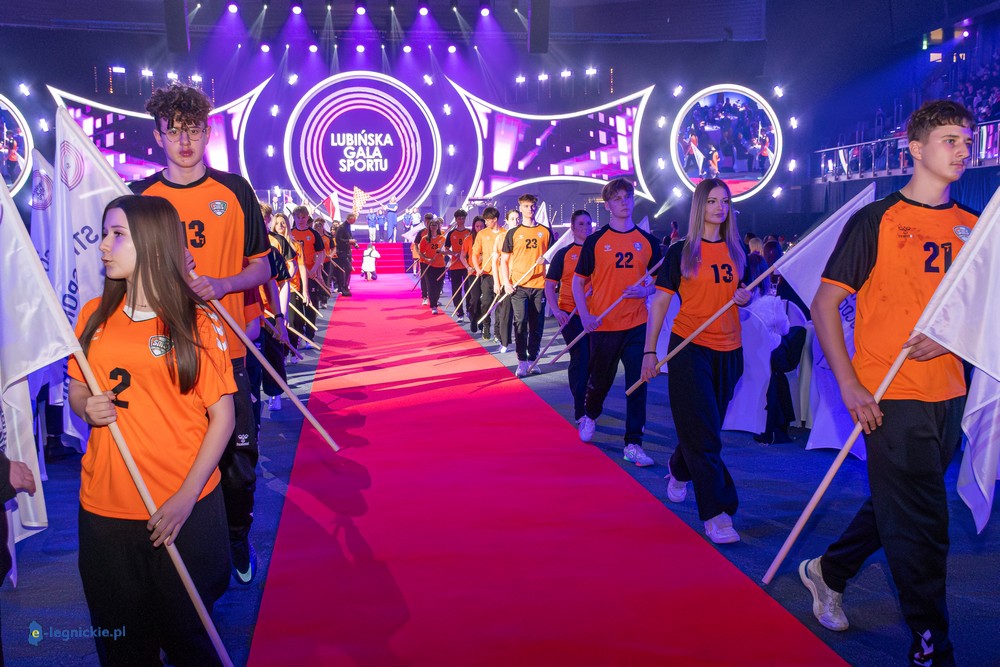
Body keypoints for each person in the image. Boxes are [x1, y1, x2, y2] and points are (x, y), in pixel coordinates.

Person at [798, 100, 976, 667]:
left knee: (899, 504)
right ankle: (931, 644)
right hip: (887, 395)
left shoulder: (975, 227)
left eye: (966, 141)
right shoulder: (877, 220)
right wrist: (849, 385)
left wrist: (951, 338)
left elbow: (982, 314)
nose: (963, 150)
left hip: (950, 393)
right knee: (926, 524)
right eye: (950, 140)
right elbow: (825, 305)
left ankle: (829, 571)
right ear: (916, 149)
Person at [67, 195, 236, 664]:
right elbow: (76, 386)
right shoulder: (93, 314)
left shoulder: (196, 320)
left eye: (117, 234)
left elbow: (223, 417)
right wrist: (86, 407)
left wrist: (185, 497)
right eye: (105, 233)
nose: (104, 245)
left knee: (189, 641)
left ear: (153, 243)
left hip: (183, 509)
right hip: (104, 508)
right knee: (121, 645)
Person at [131, 83, 270, 586]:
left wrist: (222, 284)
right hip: (165, 352)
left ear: (207, 133)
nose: (184, 141)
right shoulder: (141, 198)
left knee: (238, 463)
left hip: (227, 351)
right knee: (171, 457)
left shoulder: (235, 191)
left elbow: (262, 266)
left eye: (193, 130)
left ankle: (236, 534)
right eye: (173, 131)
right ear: (158, 136)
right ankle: (178, 549)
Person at [642, 178, 751, 544]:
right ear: (700, 206)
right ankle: (719, 512)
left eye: (725, 201)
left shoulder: (737, 250)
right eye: (712, 201)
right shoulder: (681, 251)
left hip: (730, 351)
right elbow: (659, 302)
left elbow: (743, 294)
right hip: (690, 349)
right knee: (705, 436)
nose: (720, 208)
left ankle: (678, 466)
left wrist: (746, 298)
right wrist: (650, 352)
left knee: (705, 429)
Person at [574, 181, 661, 466]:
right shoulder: (595, 241)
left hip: (637, 325)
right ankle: (590, 414)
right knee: (600, 381)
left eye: (627, 197)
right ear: (608, 205)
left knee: (638, 383)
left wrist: (645, 291)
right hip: (604, 325)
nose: (624, 202)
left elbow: (660, 284)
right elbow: (577, 282)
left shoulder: (648, 242)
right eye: (617, 198)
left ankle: (633, 443)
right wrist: (585, 316)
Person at [545, 210, 594, 424]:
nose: (586, 227)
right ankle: (580, 408)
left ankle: (588, 394)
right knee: (580, 358)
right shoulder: (564, 254)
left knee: (593, 360)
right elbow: (549, 285)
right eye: (581, 224)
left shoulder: (599, 251)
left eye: (588, 223)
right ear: (573, 228)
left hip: (596, 315)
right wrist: (556, 310)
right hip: (570, 314)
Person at [471, 207, 503, 340]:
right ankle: (486, 325)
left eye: (487, 220)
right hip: (487, 273)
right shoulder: (482, 234)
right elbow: (474, 253)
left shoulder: (505, 233)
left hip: (501, 275)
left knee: (500, 304)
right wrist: (477, 268)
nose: (485, 223)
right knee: (486, 302)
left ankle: (498, 331)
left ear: (495, 219)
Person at [444, 210, 472, 321]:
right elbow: (446, 249)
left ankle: (469, 310)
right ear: (456, 219)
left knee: (468, 289)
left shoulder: (469, 232)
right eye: (459, 218)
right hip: (455, 266)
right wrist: (455, 254)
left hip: (467, 266)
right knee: (456, 290)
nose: (461, 220)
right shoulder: (451, 233)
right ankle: (460, 313)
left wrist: (465, 254)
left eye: (463, 218)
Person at [461, 216, 487, 332]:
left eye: (481, 226)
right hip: (473, 273)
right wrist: (468, 267)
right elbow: (462, 256)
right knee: (475, 298)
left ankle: (481, 320)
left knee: (484, 299)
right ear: (474, 227)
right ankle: (473, 317)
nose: (479, 228)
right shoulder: (468, 239)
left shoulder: (488, 238)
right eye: (477, 226)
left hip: (486, 272)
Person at [418, 217, 447, 314]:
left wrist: (442, 252)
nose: (433, 227)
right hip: (429, 266)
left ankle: (435, 300)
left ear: (438, 227)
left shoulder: (442, 238)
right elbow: (421, 252)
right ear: (429, 226)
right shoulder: (425, 239)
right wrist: (426, 259)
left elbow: (446, 251)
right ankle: (434, 305)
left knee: (439, 287)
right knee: (431, 286)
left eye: (435, 225)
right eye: (432, 225)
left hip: (440, 266)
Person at [335, 213, 359, 296]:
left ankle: (345, 286)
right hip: (341, 251)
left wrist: (354, 243)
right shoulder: (341, 227)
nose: (355, 221)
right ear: (350, 218)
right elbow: (338, 239)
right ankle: (343, 287)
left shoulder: (348, 226)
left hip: (347, 251)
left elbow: (349, 237)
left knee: (348, 269)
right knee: (346, 269)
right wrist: (348, 241)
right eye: (354, 219)